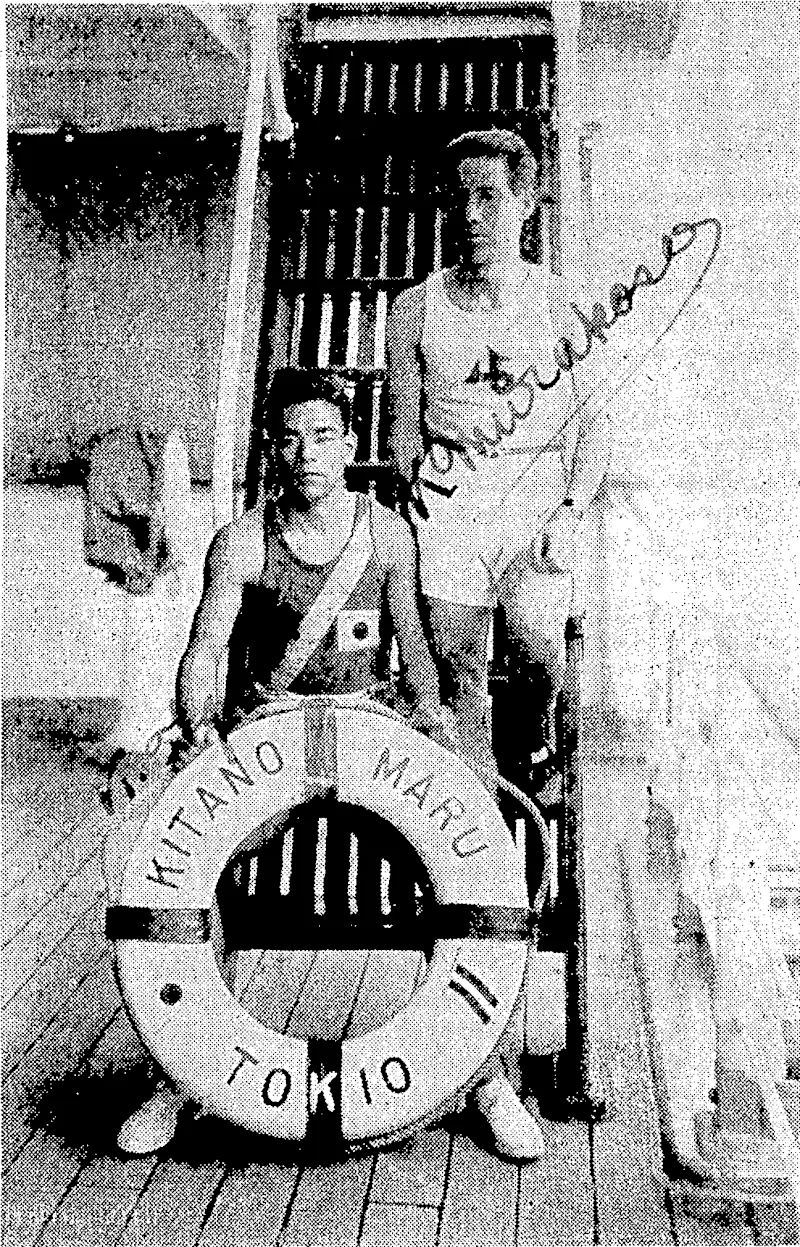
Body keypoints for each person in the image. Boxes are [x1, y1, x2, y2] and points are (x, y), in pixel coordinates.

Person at [116, 370, 546, 1161]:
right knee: (195, 865)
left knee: (460, 867)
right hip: (271, 743)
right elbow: (205, 648)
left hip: (370, 741)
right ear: (272, 449)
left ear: (350, 445)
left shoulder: (385, 535)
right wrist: (200, 727)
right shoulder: (244, 541)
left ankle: (484, 1074)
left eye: (322, 435)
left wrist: (437, 725)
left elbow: (414, 653)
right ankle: (176, 1076)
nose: (305, 453)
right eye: (288, 437)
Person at [387, 129, 611, 796]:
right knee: (457, 663)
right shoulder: (412, 308)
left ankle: (535, 734)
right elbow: (402, 431)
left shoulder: (560, 302)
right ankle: (477, 798)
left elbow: (596, 423)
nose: (471, 215)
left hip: (535, 492)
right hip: (451, 496)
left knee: (536, 650)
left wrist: (570, 509)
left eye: (488, 197)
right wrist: (424, 495)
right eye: (460, 199)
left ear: (526, 204)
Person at [83, 405, 198, 757]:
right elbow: (166, 518)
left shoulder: (150, 452)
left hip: (153, 570)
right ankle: (145, 730)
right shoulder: (129, 456)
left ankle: (150, 728)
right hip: (148, 572)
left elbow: (170, 517)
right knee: (149, 648)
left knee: (155, 647)